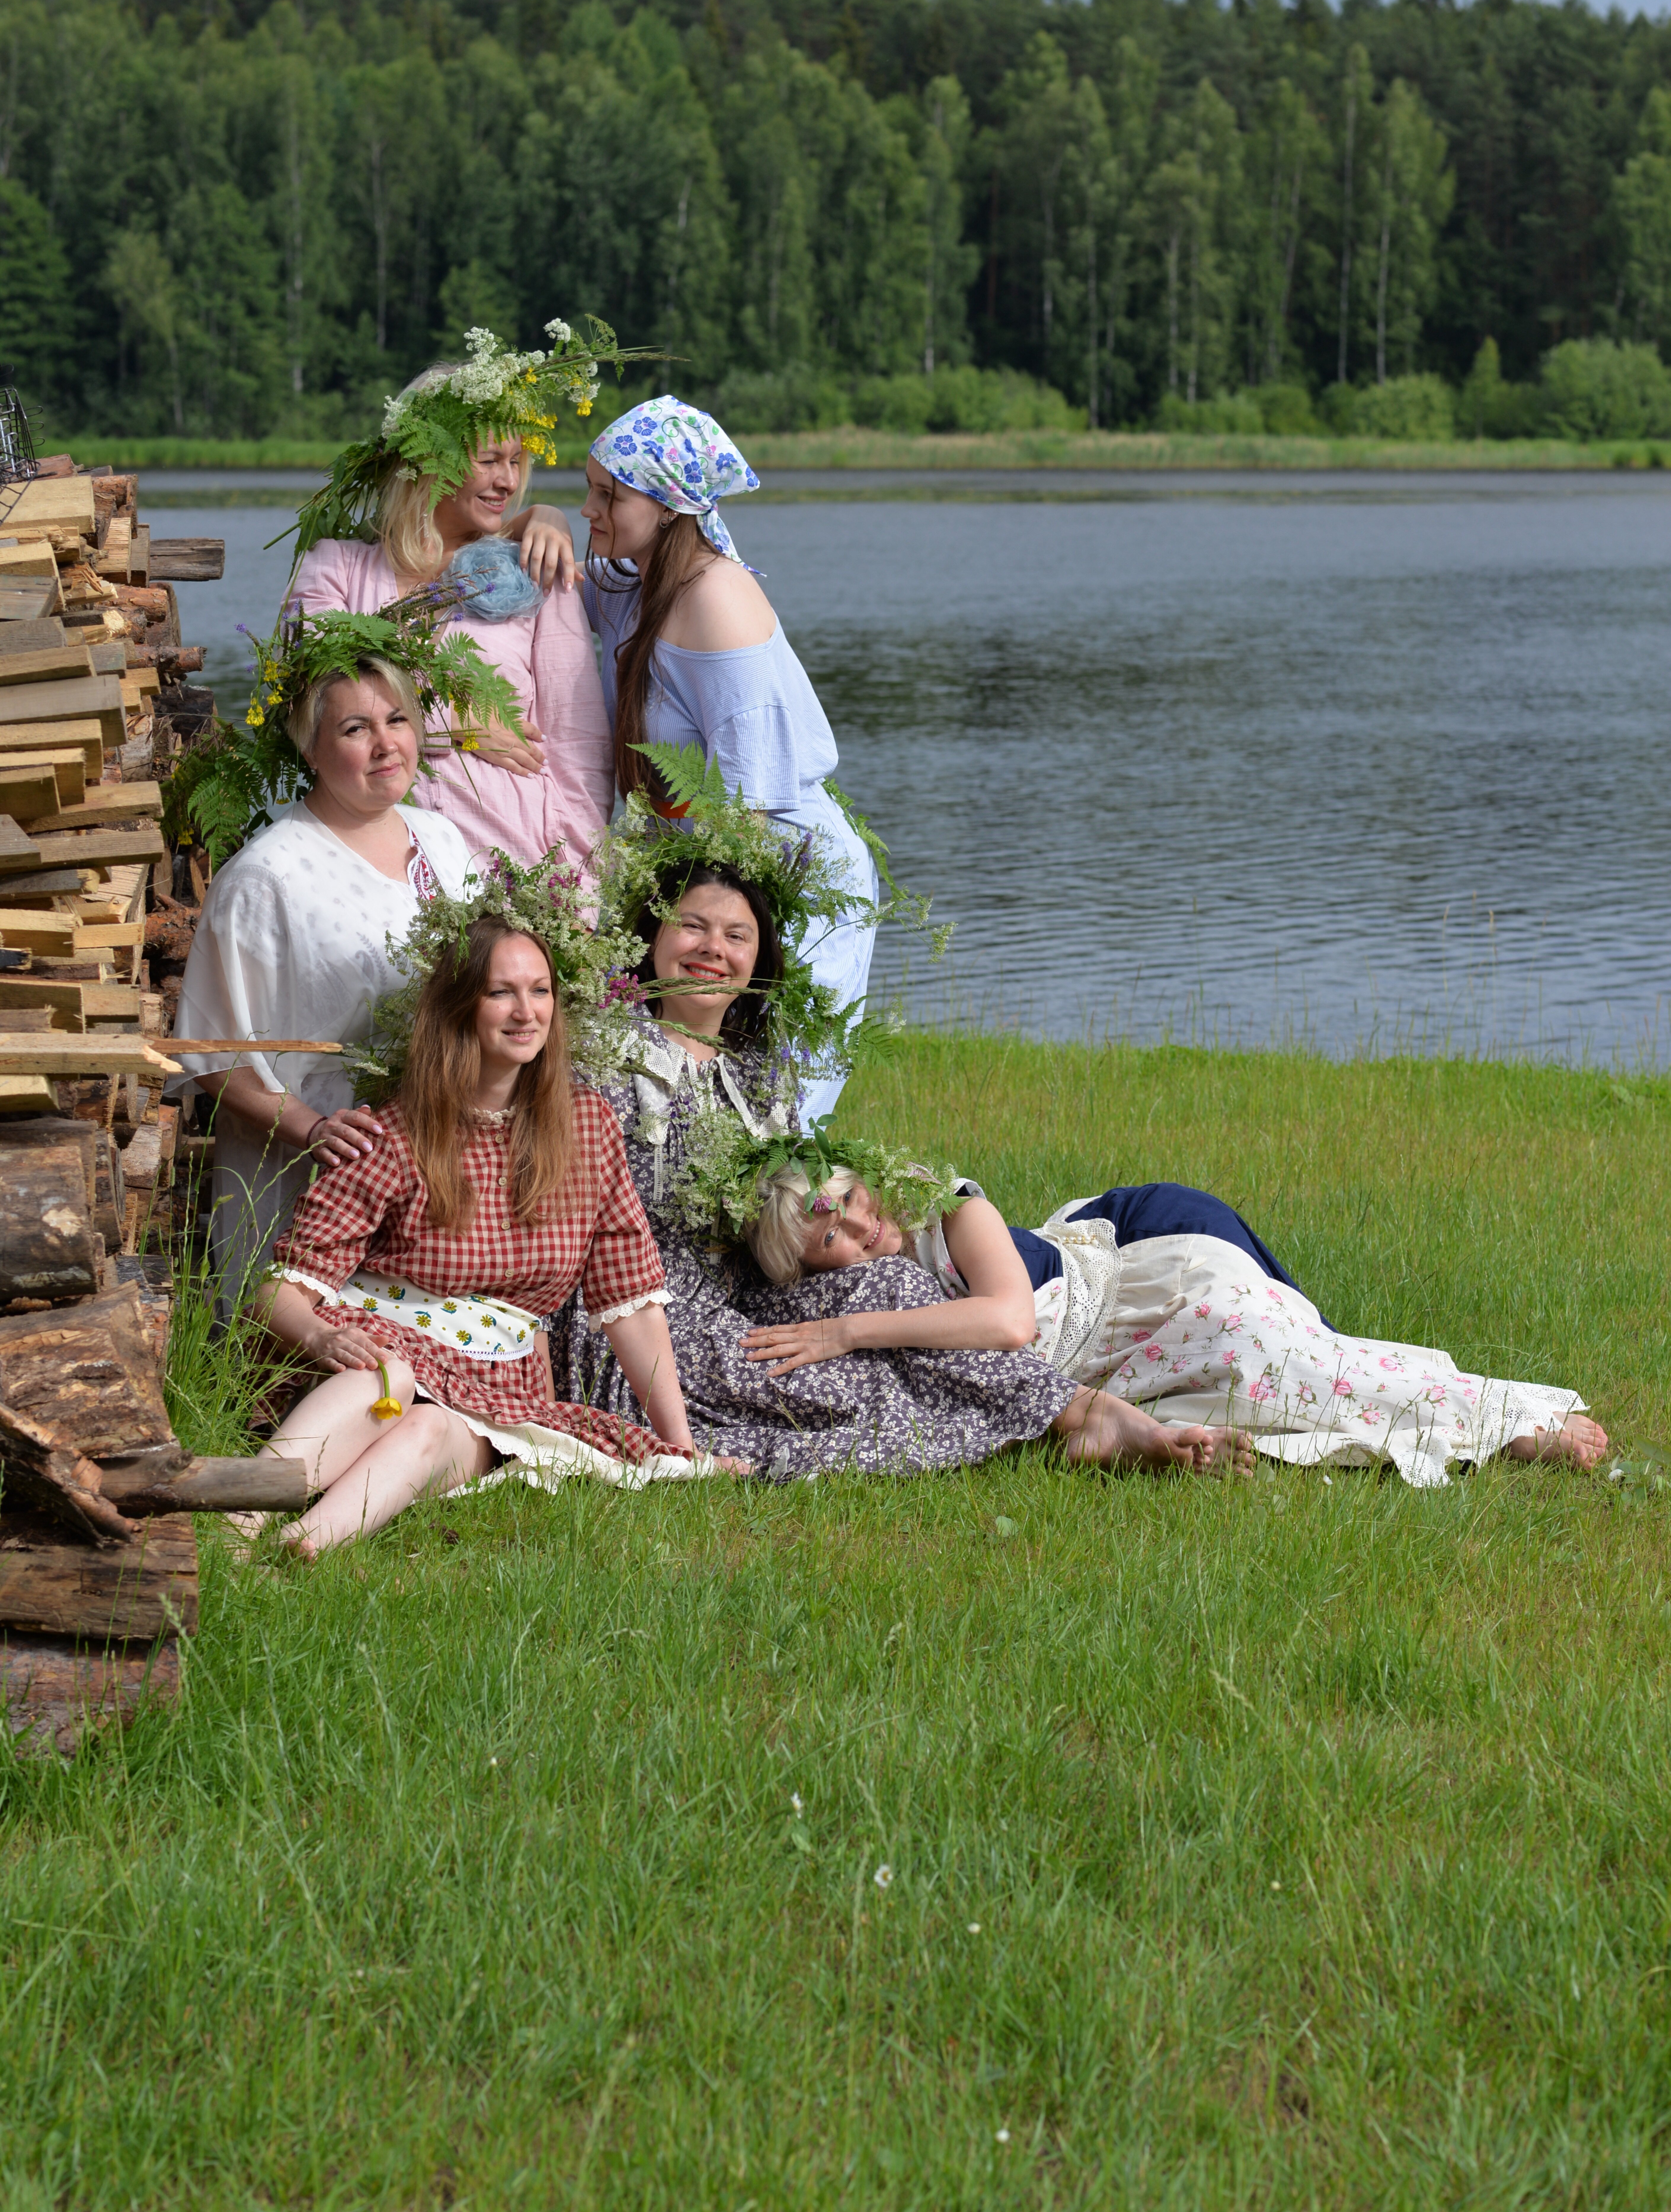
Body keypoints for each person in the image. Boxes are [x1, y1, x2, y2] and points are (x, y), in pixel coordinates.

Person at [549, 866, 1243, 1479]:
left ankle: (1083, 1413)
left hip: (753, 1294)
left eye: (737, 936)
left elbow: (798, 1214)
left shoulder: (760, 1073)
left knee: (892, 1286)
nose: (712, 949)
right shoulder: (599, 1054)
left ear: (758, 961)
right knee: (842, 1386)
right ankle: (1080, 1419)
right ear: (654, 936)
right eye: (692, 926)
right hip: (642, 1310)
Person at [239, 917, 731, 1560]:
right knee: (386, 1383)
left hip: (496, 1390)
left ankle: (304, 1547)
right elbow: (278, 1293)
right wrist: (323, 1336)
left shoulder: (587, 1128)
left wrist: (680, 1446)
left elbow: (630, 1298)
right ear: (460, 1007)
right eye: (502, 992)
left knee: (427, 1426)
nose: (526, 1012)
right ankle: (238, 1522)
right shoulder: (395, 1133)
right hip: (374, 1356)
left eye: (541, 991)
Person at [735, 1151, 1609, 1489]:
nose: (860, 1227)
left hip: (1146, 1294)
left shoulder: (945, 1207)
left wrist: (845, 1334)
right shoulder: (873, 1289)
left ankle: (1513, 1418)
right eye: (831, 1239)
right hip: (1111, 1370)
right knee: (1258, 1412)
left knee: (1295, 1364)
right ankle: (1476, 1433)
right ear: (814, 1271)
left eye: (847, 1201)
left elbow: (1007, 1325)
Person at [577, 396, 877, 1122]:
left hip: (785, 887)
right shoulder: (644, 582)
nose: (587, 511)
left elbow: (753, 805)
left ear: (668, 502)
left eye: (608, 495)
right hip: (711, 879)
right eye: (588, 490)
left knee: (767, 1102)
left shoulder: (716, 601)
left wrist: (723, 930)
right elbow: (558, 587)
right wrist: (528, 528)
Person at [174, 648, 476, 1316]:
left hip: (439, 1143)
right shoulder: (268, 877)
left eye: (396, 720)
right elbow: (211, 1057)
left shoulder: (443, 841)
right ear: (310, 748)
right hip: (320, 1161)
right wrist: (312, 1130)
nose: (385, 745)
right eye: (354, 730)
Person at [287, 327, 614, 875]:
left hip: (517, 867)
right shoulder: (335, 567)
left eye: (517, 462)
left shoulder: (537, 570)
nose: (508, 481)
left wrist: (577, 895)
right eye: (489, 460)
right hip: (371, 867)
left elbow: (581, 752)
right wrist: (454, 723)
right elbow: (312, 701)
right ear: (429, 460)